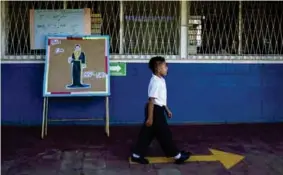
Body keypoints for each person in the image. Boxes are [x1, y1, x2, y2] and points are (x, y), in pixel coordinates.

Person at [130, 56, 191, 164]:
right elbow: (151, 100)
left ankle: (136, 154)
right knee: (165, 134)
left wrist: (166, 109)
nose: (167, 68)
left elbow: (160, 99)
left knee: (147, 134)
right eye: (165, 66)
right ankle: (177, 156)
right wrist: (150, 117)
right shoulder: (155, 82)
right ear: (158, 68)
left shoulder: (161, 80)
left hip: (158, 109)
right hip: (154, 111)